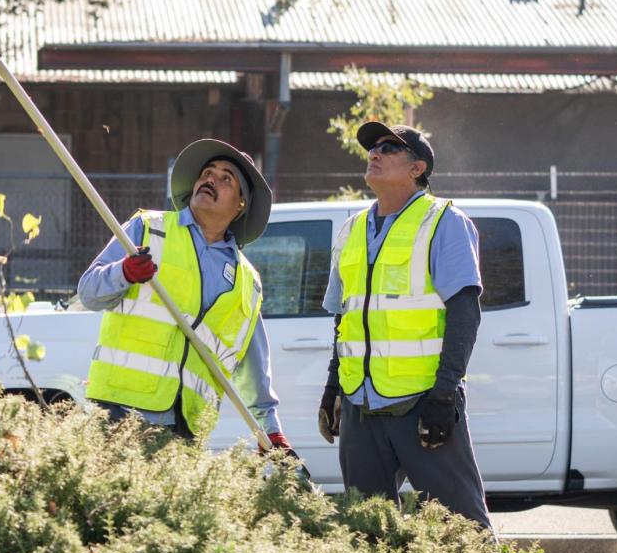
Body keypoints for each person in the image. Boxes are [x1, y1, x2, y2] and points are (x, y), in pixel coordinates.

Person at [317, 122, 491, 528]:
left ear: (417, 168)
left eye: (388, 148)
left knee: (461, 528)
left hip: (421, 403)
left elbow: (465, 313)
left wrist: (444, 396)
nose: (373, 154)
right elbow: (346, 318)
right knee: (367, 530)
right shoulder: (352, 229)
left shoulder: (443, 222)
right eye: (371, 148)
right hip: (361, 406)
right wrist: (332, 390)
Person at [77, 138, 293, 451]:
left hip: (185, 428)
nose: (211, 180)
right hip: (119, 411)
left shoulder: (248, 283)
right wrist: (123, 272)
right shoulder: (149, 229)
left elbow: (253, 369)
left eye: (225, 178)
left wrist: (270, 429)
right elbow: (89, 293)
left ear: (241, 204)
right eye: (207, 172)